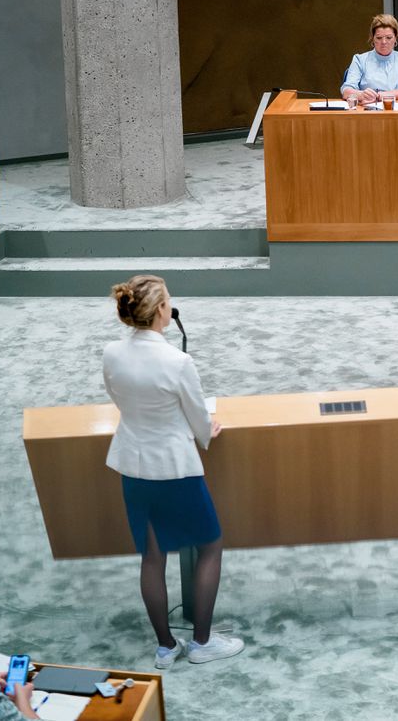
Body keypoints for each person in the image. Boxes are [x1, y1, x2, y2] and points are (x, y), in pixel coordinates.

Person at [103, 276, 244, 667]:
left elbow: (118, 399)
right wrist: (207, 431)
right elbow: (200, 419)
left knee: (152, 557)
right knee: (210, 546)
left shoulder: (112, 353)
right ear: (161, 311)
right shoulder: (177, 361)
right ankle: (201, 643)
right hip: (174, 469)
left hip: (132, 464)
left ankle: (166, 647)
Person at [339, 13, 398, 104]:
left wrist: (378, 96)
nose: (384, 42)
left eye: (389, 37)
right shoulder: (359, 59)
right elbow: (346, 91)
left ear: (396, 38)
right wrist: (361, 95)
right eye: (379, 38)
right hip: (367, 110)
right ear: (372, 38)